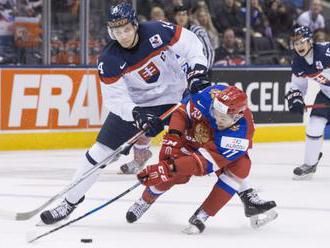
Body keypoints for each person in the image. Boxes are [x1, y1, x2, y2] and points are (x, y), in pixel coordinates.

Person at [39, 2, 209, 225]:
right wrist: (136, 114)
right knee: (99, 152)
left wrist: (197, 69)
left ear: (135, 25)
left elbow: (190, 43)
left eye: (127, 29)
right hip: (139, 105)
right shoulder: (109, 59)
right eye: (117, 31)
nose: (123, 35)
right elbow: (115, 99)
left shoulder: (157, 30)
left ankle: (245, 192)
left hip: (176, 98)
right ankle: (69, 202)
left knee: (211, 139)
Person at [126, 85, 278, 233]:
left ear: (236, 116)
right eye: (215, 112)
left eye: (223, 117)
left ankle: (203, 215)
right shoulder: (208, 96)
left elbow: (203, 164)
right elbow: (181, 111)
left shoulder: (240, 134)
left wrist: (166, 169)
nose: (217, 118)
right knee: (173, 175)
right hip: (189, 139)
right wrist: (173, 137)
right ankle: (146, 200)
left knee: (240, 166)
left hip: (212, 149)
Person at [285, 24, 330, 180]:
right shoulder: (298, 62)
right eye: (296, 43)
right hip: (326, 95)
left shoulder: (325, 52)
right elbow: (297, 86)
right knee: (314, 126)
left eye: (301, 42)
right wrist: (296, 99)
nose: (299, 46)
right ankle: (309, 165)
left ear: (310, 41)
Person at [173, 4, 215, 69]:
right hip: (178, 73)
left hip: (197, 69)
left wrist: (204, 69)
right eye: (178, 15)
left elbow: (208, 51)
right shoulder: (170, 33)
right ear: (175, 17)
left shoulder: (197, 31)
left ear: (188, 16)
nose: (181, 18)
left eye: (184, 14)